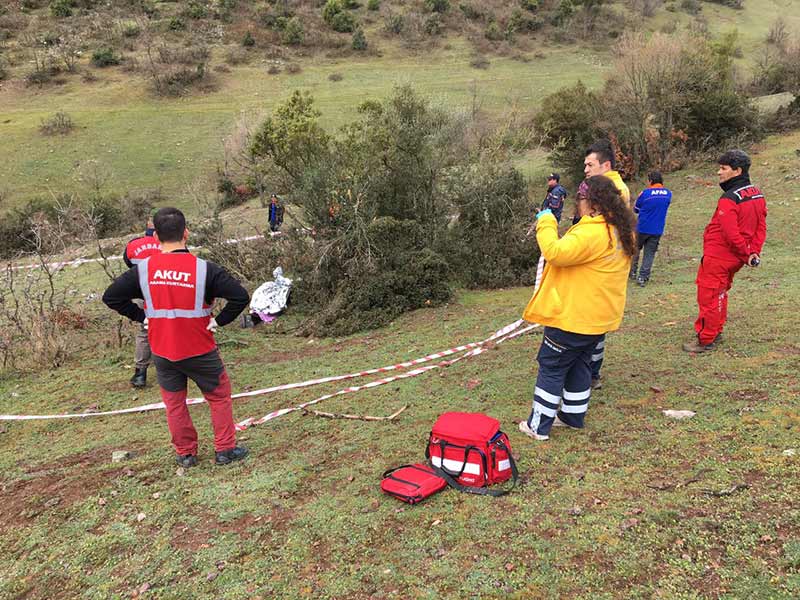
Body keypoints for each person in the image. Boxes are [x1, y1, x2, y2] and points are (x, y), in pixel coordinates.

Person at [103, 207, 251, 467]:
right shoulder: (205, 269)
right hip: (201, 349)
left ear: (156, 237)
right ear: (186, 233)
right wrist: (219, 321)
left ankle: (186, 454)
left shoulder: (143, 270)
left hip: (162, 352)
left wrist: (142, 317)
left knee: (174, 403)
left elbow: (111, 296)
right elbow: (240, 296)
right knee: (218, 397)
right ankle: (225, 450)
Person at [518, 175, 635, 441]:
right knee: (580, 363)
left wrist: (546, 221)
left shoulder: (593, 231)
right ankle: (573, 415)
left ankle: (538, 425)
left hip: (573, 318)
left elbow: (556, 252)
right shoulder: (620, 230)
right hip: (597, 320)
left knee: (551, 365)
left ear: (591, 202)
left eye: (580, 200)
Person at [683, 150, 767, 353]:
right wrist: (753, 252)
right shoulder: (756, 193)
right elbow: (761, 226)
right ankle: (715, 330)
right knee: (720, 294)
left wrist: (747, 253)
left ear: (737, 171)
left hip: (719, 256)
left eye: (723, 168)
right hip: (734, 258)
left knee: (709, 295)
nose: (719, 172)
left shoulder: (729, 199)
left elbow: (731, 233)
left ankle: (706, 339)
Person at [582, 140, 630, 388]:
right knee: (595, 327)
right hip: (605, 267)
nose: (586, 170)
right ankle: (590, 372)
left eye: (590, 164)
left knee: (594, 327)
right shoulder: (611, 186)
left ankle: (591, 374)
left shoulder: (614, 190)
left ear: (606, 165)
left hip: (602, 269)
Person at [122, 212, 161, 388]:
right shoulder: (169, 242)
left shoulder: (133, 245)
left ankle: (140, 373)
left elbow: (129, 264)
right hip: (167, 289)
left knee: (145, 330)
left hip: (141, 291)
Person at [630, 171, 672, 287]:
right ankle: (642, 277)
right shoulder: (668, 194)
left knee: (635, 250)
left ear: (651, 181)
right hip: (657, 229)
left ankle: (632, 272)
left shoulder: (645, 193)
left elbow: (636, 209)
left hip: (642, 227)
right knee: (649, 254)